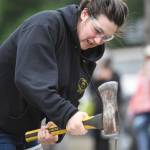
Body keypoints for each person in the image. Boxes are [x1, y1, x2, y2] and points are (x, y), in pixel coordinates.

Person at [0, 0, 128, 149]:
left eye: (106, 37)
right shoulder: (44, 27)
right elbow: (31, 80)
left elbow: (69, 97)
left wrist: (55, 129)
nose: (99, 40)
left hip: (25, 132)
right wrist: (68, 115)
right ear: (85, 14)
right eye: (98, 30)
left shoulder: (87, 55)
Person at [89, 56, 123, 150]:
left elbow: (119, 92)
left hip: (110, 110)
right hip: (98, 109)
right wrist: (99, 78)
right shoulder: (97, 75)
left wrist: (109, 77)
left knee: (106, 137)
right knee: (96, 137)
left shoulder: (115, 74)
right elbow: (92, 90)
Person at [128, 45, 150, 150]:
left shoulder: (143, 72)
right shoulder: (143, 72)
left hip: (141, 110)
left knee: (143, 138)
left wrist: (131, 110)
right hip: (142, 110)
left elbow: (137, 93)